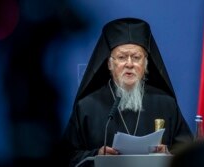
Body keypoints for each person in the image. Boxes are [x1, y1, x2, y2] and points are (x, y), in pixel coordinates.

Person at [61, 18, 193, 167]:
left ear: (146, 64)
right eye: (122, 57)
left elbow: (190, 153)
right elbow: (66, 156)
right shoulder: (86, 106)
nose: (129, 64)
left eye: (136, 57)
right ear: (110, 64)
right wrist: (96, 155)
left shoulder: (166, 103)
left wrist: (168, 153)